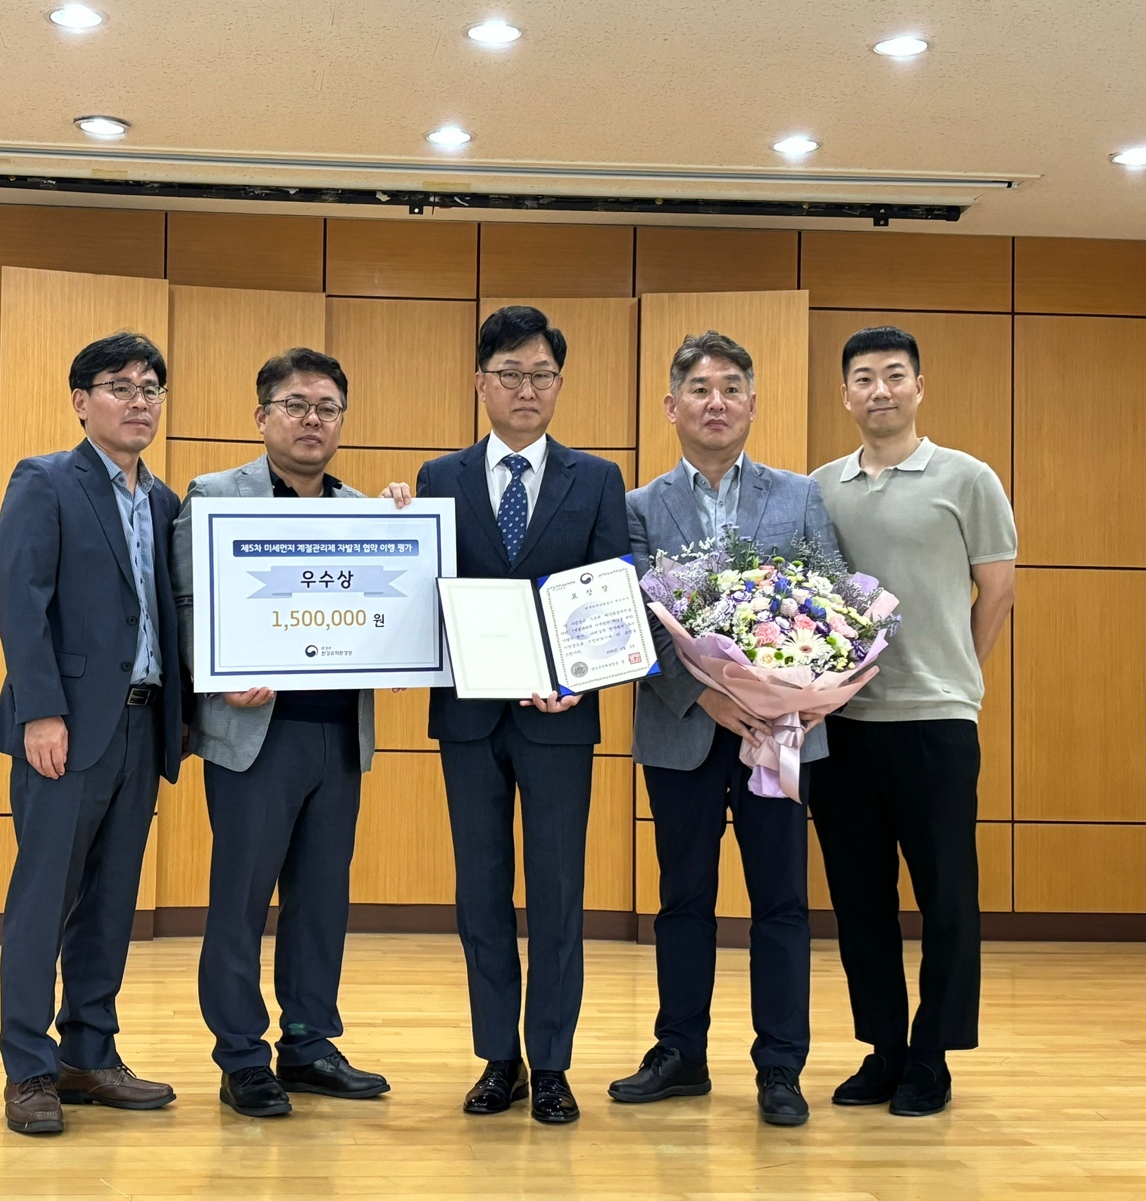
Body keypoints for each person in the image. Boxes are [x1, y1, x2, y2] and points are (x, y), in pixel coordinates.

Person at [608, 331, 839, 1126]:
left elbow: (834, 599)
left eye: (731, 387)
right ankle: (680, 1052)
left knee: (781, 901)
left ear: (751, 404)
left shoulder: (800, 495)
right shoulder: (637, 506)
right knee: (683, 898)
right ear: (671, 406)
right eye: (700, 389)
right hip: (684, 731)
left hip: (779, 733)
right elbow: (635, 623)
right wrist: (707, 698)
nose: (716, 401)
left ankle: (780, 1065)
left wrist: (789, 694)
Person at [412, 305, 629, 1125]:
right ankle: (498, 1056)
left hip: (558, 719)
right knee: (481, 893)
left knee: (559, 893)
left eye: (540, 374)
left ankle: (555, 1061)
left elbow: (616, 595)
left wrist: (584, 679)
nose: (525, 388)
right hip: (468, 718)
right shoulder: (438, 478)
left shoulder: (597, 478)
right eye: (509, 373)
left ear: (559, 383)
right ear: (480, 383)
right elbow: (421, 589)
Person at [171, 347, 389, 1119]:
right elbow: (186, 613)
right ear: (261, 416)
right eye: (295, 404)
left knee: (321, 901)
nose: (312, 420)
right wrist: (215, 676)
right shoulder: (212, 496)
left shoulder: (369, 510)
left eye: (327, 407)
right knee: (240, 901)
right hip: (253, 735)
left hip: (339, 737)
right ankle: (240, 1054)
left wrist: (406, 529)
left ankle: (307, 1042)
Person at [810, 325, 1016, 1117]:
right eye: (863, 378)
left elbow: (995, 590)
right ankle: (884, 1049)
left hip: (935, 720)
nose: (880, 390)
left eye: (894, 375)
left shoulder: (967, 477)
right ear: (846, 395)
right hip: (844, 721)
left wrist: (960, 677)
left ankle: (933, 1054)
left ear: (920, 386)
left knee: (946, 896)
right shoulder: (822, 487)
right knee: (860, 898)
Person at [0, 331, 186, 1136]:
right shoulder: (45, 480)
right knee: (43, 902)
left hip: (143, 725)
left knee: (110, 904)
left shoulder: (167, 500)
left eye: (150, 389)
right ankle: (30, 1070)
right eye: (119, 386)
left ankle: (89, 1054)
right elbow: (21, 601)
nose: (138, 401)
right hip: (64, 729)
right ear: (80, 401)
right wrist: (41, 709)